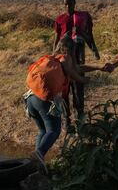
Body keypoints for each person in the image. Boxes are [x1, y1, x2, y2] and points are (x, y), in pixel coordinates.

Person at [26, 35, 101, 172]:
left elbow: (78, 68)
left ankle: (36, 164)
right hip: (45, 101)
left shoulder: (52, 59)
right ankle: (39, 155)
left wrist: (99, 68)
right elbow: (74, 73)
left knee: (43, 131)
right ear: (72, 49)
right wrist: (85, 81)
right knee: (54, 131)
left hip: (31, 98)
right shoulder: (66, 58)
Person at [53, 0, 100, 118]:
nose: (68, 6)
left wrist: (95, 50)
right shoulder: (60, 19)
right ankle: (66, 118)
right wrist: (53, 54)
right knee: (64, 87)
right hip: (64, 54)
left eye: (70, 3)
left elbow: (90, 35)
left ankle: (80, 115)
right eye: (65, 4)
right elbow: (57, 38)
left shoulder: (83, 16)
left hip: (78, 53)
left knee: (78, 85)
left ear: (75, 3)